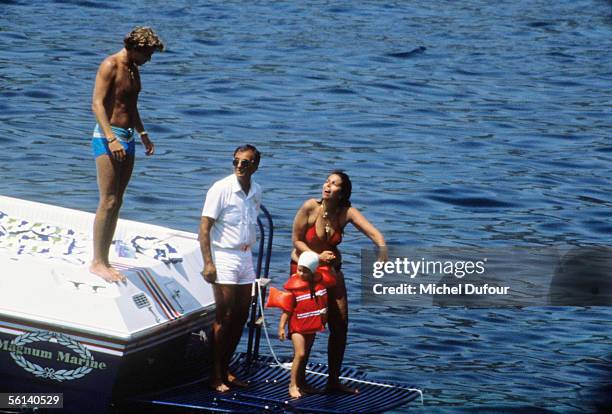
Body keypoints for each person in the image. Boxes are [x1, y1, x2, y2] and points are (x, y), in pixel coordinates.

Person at [291, 170, 387, 394]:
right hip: (305, 270)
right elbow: (296, 241)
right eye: (327, 181)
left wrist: (382, 253)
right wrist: (316, 257)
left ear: (342, 193)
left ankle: (333, 380)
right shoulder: (310, 207)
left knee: (340, 323)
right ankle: (299, 381)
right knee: (310, 326)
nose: (327, 186)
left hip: (331, 271)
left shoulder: (346, 212)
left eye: (334, 184)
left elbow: (375, 235)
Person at [90, 26, 164, 282]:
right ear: (136, 48)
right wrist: (111, 139)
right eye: (148, 54)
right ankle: (97, 262)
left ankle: (105, 259)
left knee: (118, 200)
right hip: (108, 137)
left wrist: (143, 133)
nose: (149, 60)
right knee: (107, 200)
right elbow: (97, 104)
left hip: (128, 136)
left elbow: (130, 105)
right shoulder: (110, 65)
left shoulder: (134, 69)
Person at [199, 144, 262, 393]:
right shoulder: (221, 189)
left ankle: (226, 368)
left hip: (246, 256)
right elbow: (204, 227)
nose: (238, 166)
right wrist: (208, 262)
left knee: (241, 316)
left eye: (244, 163)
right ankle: (215, 375)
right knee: (223, 317)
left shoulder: (256, 190)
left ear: (255, 165)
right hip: (224, 255)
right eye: (235, 161)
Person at [266, 251, 336, 398]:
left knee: (306, 355)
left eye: (305, 271)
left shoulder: (318, 284)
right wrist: (281, 327)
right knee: (300, 353)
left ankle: (302, 383)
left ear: (313, 271)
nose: (301, 274)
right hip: (297, 326)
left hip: (311, 325)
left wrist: (324, 317)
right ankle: (292, 385)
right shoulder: (294, 288)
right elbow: (287, 309)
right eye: (299, 270)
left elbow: (323, 304)